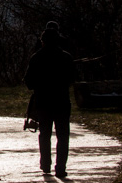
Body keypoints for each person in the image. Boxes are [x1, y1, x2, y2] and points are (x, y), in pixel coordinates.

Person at [25, 28, 77, 177]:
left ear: (42, 41)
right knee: (63, 136)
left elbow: (29, 82)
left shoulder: (36, 58)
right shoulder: (66, 57)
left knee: (44, 135)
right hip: (62, 102)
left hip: (43, 102)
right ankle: (60, 168)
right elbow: (72, 78)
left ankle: (45, 164)